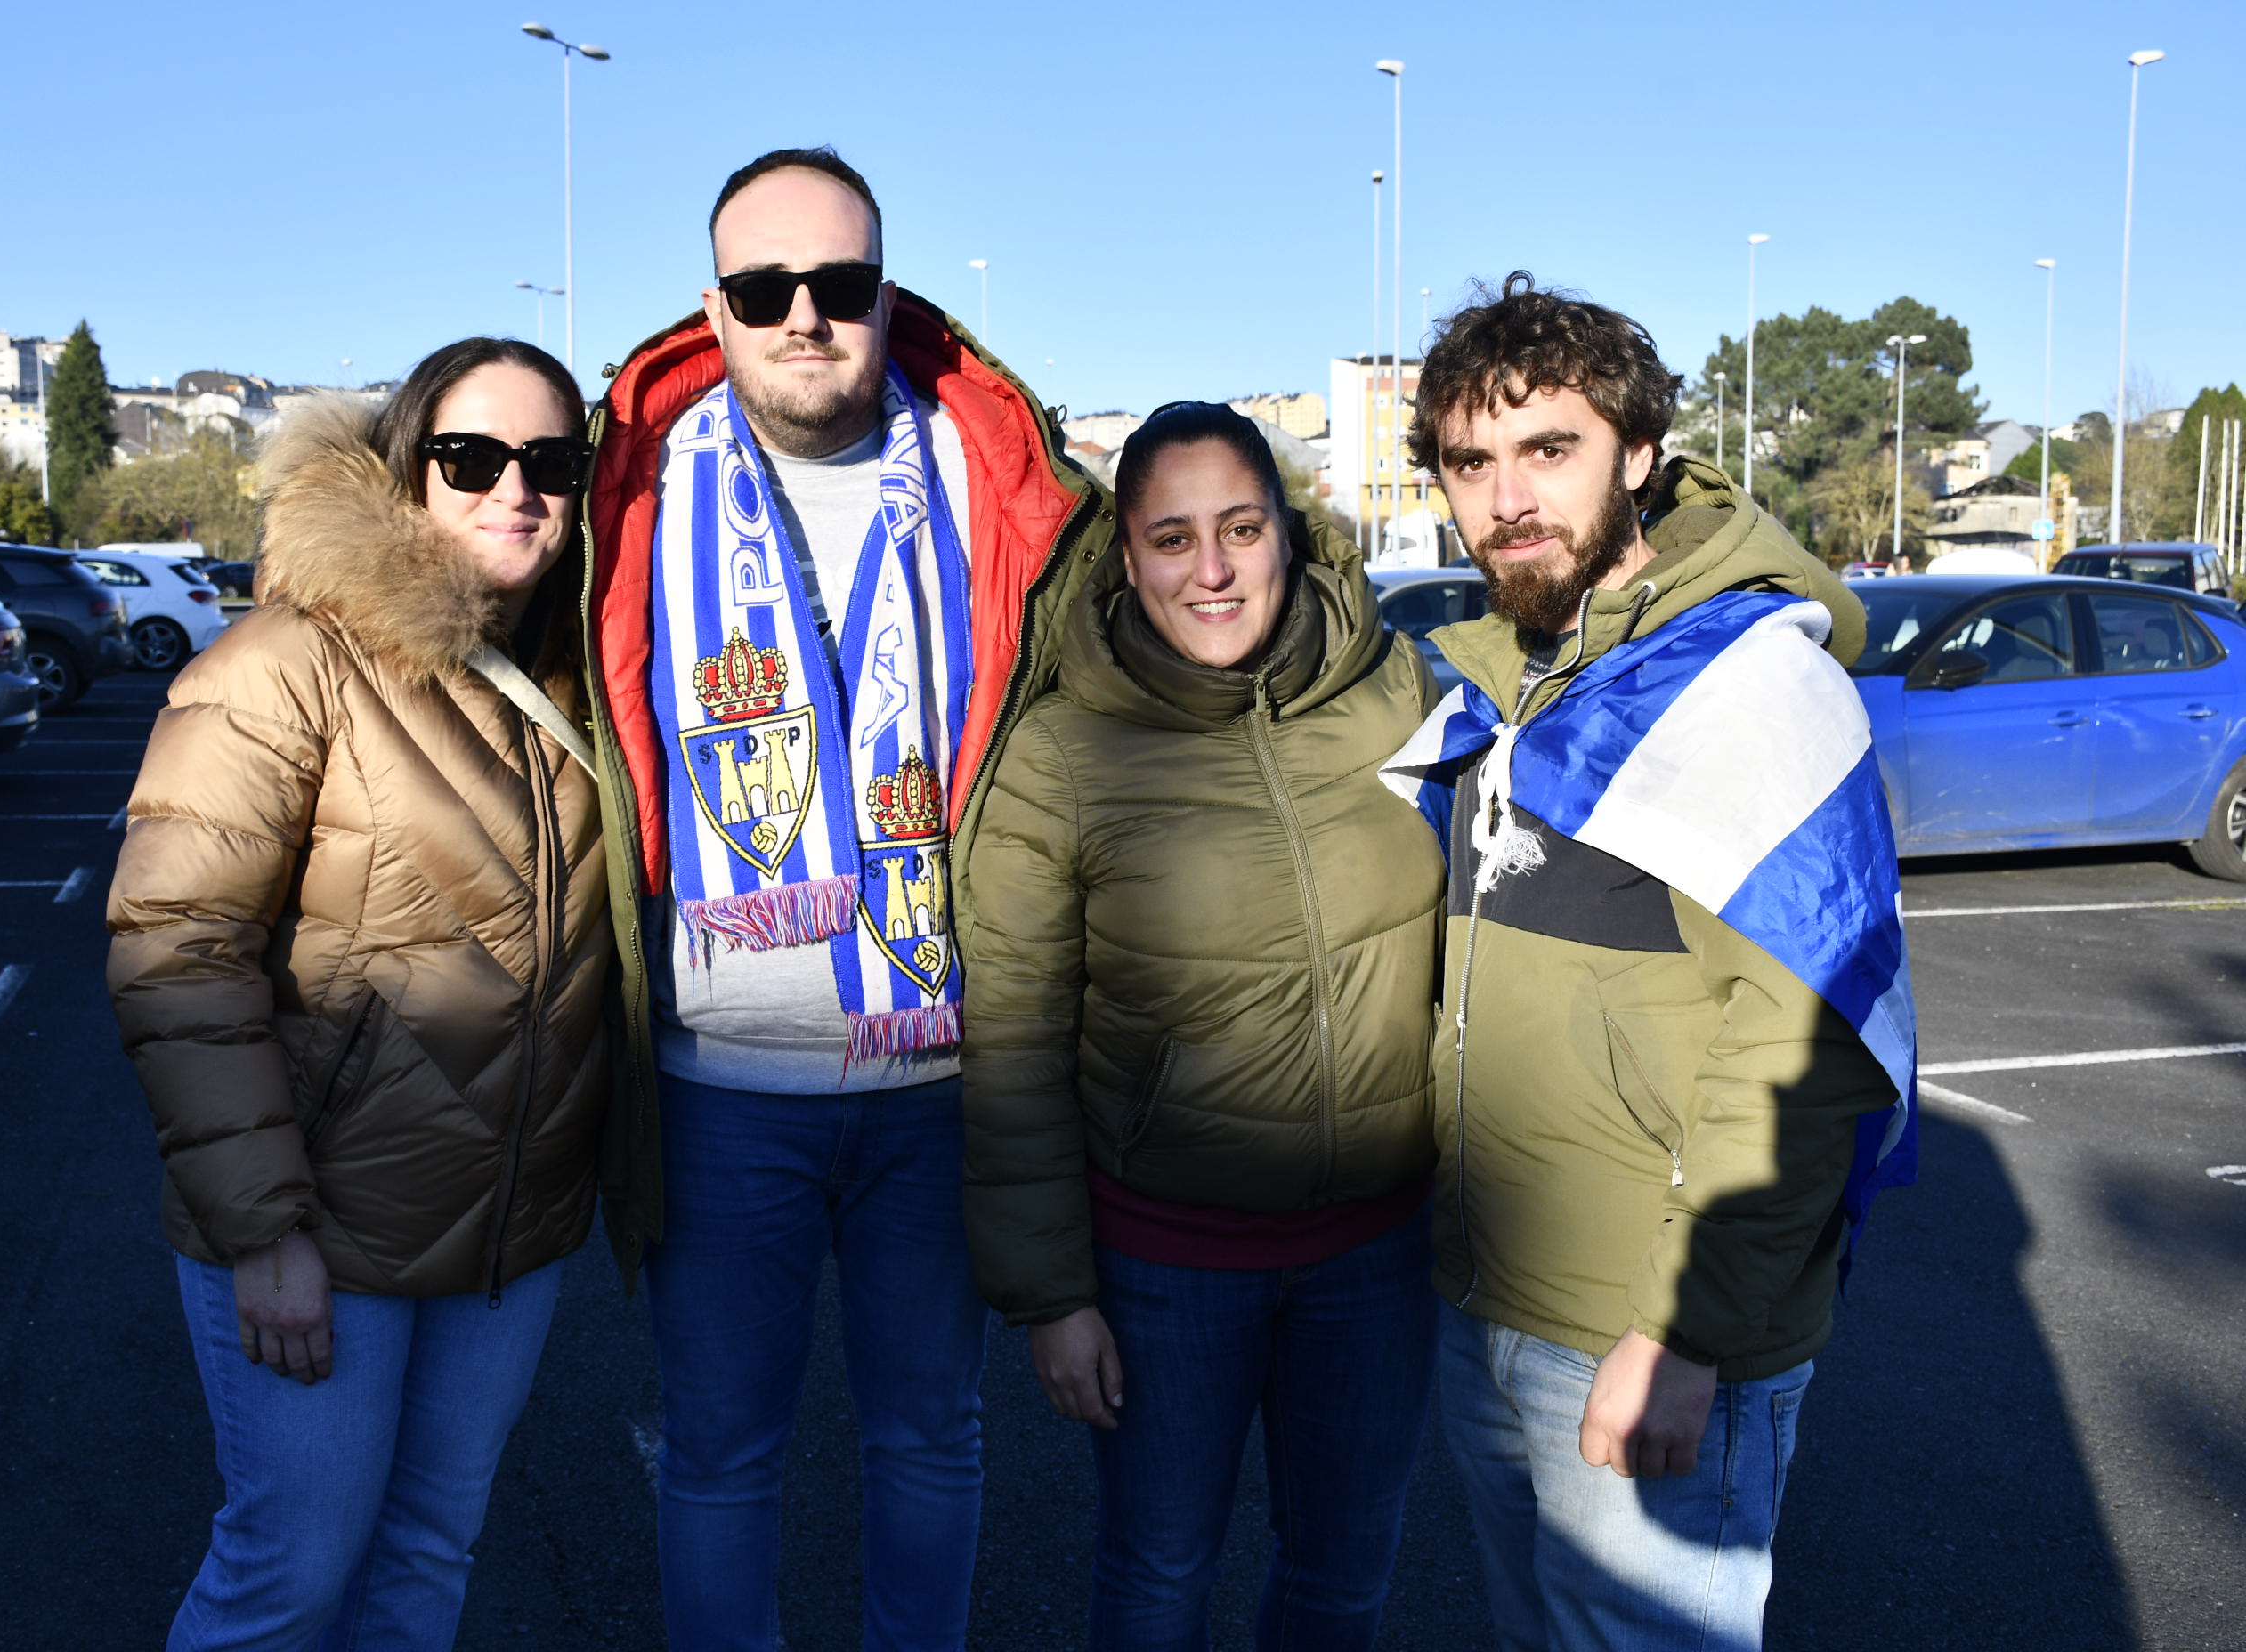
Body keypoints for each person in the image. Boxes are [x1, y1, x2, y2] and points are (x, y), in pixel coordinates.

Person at [577, 145, 1114, 1648]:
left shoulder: (987, 468)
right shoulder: (628, 483)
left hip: (940, 1074)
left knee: (931, 1438)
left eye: (840, 283)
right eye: (766, 288)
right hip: (717, 1083)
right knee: (721, 1457)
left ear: (887, 290)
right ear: (716, 306)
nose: (805, 315)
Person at [1381, 274, 1917, 1652]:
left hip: (1646, 1326)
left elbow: (1805, 1051)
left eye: (1548, 449)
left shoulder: (1754, 685)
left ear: (1638, 455)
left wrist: (1688, 1336)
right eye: (1471, 461)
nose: (1508, 495)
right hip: (1494, 1300)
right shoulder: (1509, 677)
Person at [106, 337, 628, 1651]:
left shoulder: (572, 674)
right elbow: (179, 946)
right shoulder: (288, 661)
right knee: (290, 1568)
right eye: (472, 458)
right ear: (407, 474)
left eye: (553, 463)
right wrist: (265, 1227)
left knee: (428, 1555)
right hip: (326, 1228)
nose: (516, 489)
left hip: (508, 1232)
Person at [961, 401, 1445, 1648]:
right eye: (1172, 539)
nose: (1212, 568)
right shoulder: (1063, 752)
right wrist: (1052, 1296)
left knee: (1344, 1579)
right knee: (1161, 1580)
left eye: (1240, 527)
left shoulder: (1395, 692)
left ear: (1291, 533)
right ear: (1126, 558)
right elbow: (1011, 1044)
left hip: (1375, 1257)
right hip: (1166, 1269)